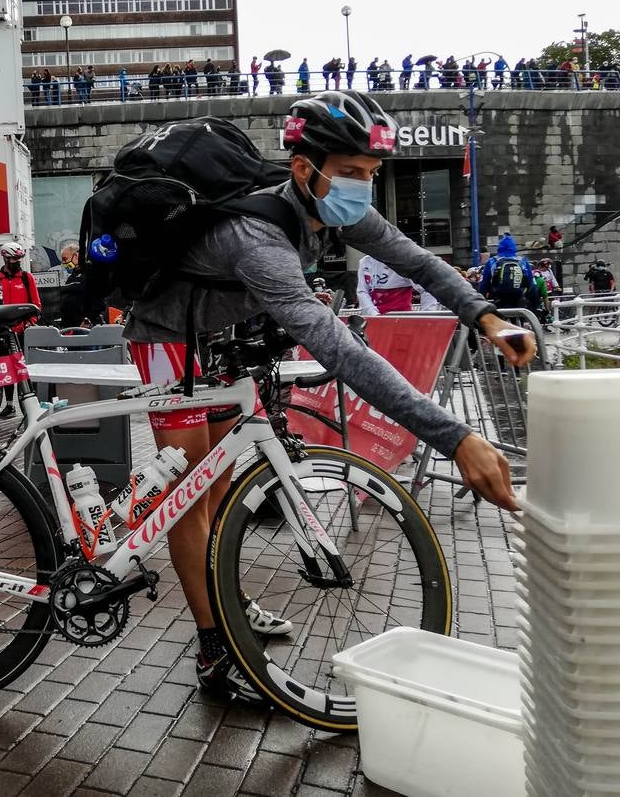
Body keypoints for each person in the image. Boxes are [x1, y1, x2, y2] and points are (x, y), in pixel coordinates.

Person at [123, 90, 535, 700]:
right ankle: (215, 649)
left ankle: (223, 604)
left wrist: (486, 317)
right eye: (349, 174)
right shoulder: (255, 236)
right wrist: (454, 436)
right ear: (304, 169)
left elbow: (419, 262)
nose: (363, 188)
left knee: (213, 488)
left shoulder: (332, 209)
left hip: (219, 336)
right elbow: (341, 352)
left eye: (371, 175)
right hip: (169, 337)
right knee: (189, 498)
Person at [0, 242, 41, 419]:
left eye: (19, 258)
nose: (17, 262)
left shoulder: (26, 278)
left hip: (23, 332)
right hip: (3, 332)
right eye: (14, 258)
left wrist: (29, 322)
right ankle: (8, 405)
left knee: (25, 370)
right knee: (6, 371)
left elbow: (36, 305)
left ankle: (30, 403)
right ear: (5, 258)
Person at [357, 254, 440, 315]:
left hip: (402, 321)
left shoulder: (403, 261)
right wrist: (374, 314)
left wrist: (426, 318)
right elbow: (362, 291)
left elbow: (427, 289)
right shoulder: (364, 262)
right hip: (374, 322)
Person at [478, 234, 539, 311]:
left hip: (499, 299)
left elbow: (484, 284)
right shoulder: (522, 261)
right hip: (519, 299)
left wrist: (481, 303)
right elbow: (531, 283)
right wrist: (534, 305)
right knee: (519, 319)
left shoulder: (492, 261)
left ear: (499, 247)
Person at [58, 241, 105, 328]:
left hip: (86, 328)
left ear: (76, 256)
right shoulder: (71, 277)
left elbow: (99, 302)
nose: (63, 263)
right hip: (70, 328)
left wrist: (88, 319)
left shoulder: (91, 274)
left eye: (65, 259)